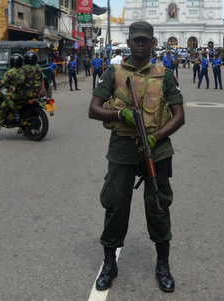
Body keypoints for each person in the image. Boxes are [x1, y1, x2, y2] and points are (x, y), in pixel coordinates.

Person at [88, 20, 185, 293]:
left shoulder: (164, 74)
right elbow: (93, 109)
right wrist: (120, 114)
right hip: (122, 148)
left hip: (158, 148)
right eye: (136, 40)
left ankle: (162, 265)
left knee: (158, 204)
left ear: (154, 43)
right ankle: (109, 263)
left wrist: (155, 136)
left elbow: (179, 116)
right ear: (128, 42)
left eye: (146, 40)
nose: (140, 44)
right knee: (116, 205)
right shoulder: (113, 73)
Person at [0, 53, 25, 142]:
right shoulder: (24, 70)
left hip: (16, 95)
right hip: (26, 94)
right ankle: (22, 127)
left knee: (2, 110)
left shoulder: (10, 72)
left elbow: (1, 84)